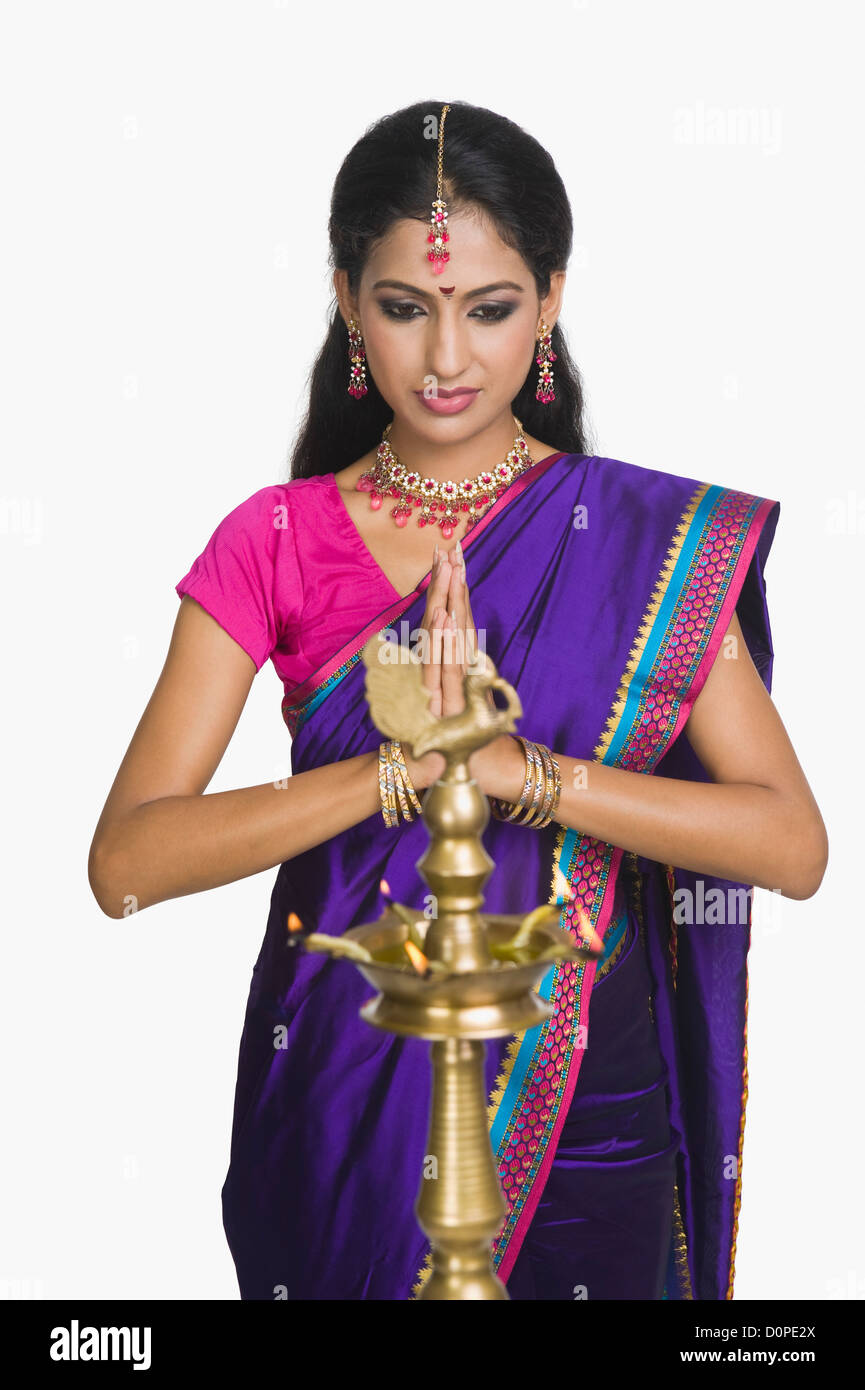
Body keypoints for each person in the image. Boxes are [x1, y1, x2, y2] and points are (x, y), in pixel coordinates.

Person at [88, 100, 828, 1301]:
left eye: (487, 310)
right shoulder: (274, 542)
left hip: (585, 1099)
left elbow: (787, 845)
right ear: (345, 299)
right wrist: (396, 772)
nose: (444, 359)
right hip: (343, 1087)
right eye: (403, 306)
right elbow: (126, 861)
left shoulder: (637, 539)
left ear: (547, 303)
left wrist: (512, 773)